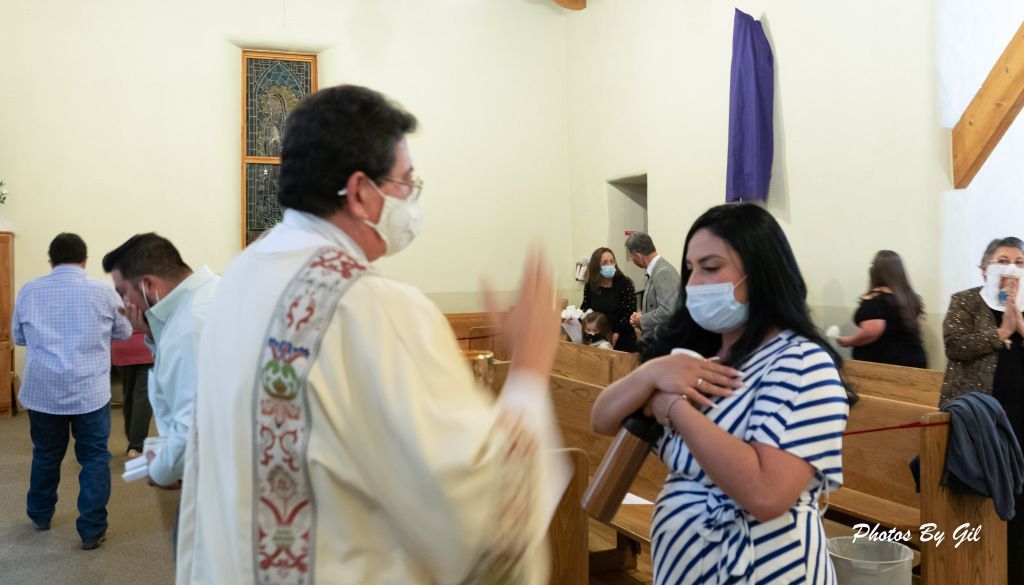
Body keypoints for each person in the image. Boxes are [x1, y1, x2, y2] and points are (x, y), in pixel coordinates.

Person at [175, 85, 568, 585]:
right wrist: (530, 372)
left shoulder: (241, 277)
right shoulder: (370, 305)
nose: (411, 199)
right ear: (361, 192)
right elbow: (474, 507)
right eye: (405, 182)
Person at [591, 203, 848, 584]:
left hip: (765, 569)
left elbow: (766, 494)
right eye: (690, 270)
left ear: (761, 273)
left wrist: (674, 408)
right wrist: (652, 373)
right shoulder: (699, 360)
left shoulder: (804, 363)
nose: (693, 284)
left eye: (711, 268)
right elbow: (601, 419)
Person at [11, 233, 132, 550]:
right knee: (94, 459)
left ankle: (39, 515)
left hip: (43, 392)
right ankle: (91, 530)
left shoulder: (29, 291)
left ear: (50, 259)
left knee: (46, 454)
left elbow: (19, 338)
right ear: (85, 259)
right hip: (89, 392)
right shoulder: (103, 292)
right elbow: (124, 332)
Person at [102, 233, 219, 494]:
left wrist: (162, 468)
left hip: (213, 470)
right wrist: (152, 333)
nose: (124, 304)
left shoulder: (189, 327)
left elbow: (192, 423)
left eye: (123, 293)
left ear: (148, 285)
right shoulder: (209, 295)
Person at [941, 236, 1024, 580]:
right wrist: (1000, 332)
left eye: (1019, 262)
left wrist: (1020, 325)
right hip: (981, 423)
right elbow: (954, 344)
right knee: (985, 502)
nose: (1011, 268)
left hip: (1020, 420)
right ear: (984, 267)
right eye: (1003, 260)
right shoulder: (965, 302)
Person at [837, 250, 927, 368]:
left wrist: (849, 341)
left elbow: (873, 330)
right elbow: (917, 325)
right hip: (914, 361)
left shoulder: (876, 300)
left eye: (872, 265)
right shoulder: (911, 298)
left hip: (884, 366)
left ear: (877, 271)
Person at [581, 247, 637, 352]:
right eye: (605, 263)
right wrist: (574, 319)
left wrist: (617, 333)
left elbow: (629, 313)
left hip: (623, 338)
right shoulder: (590, 285)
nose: (609, 265)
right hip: (597, 339)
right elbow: (585, 308)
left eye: (612, 261)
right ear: (596, 266)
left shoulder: (625, 284)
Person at [625, 232, 680, 339]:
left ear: (638, 256)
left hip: (662, 340)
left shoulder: (663, 272)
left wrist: (642, 320)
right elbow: (657, 304)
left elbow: (668, 311)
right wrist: (642, 314)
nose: (633, 261)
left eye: (633, 258)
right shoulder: (656, 270)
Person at [111, 330, 154, 457]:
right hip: (146, 347)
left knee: (128, 395)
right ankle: (136, 445)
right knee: (143, 397)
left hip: (121, 348)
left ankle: (133, 442)